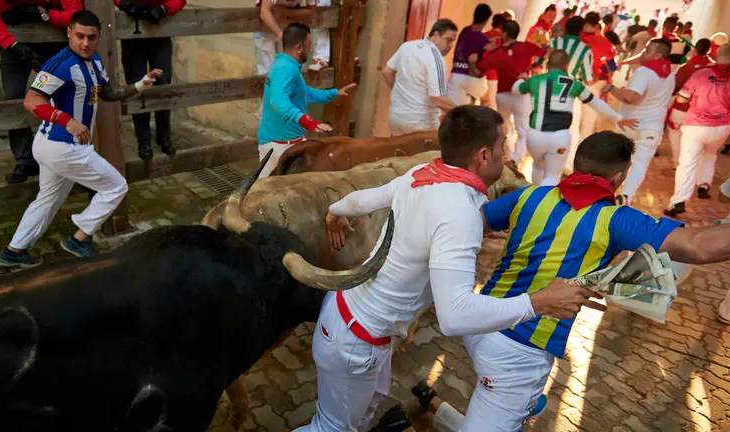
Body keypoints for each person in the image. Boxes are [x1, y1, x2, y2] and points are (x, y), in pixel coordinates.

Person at [296, 105, 605, 432]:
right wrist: (538, 302)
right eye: (503, 147)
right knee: (329, 428)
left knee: (365, 409)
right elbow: (454, 315)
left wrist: (335, 211)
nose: (506, 153)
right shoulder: (458, 211)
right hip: (354, 340)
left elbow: (362, 200)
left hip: (353, 322)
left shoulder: (423, 173)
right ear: (484, 156)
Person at [411, 130, 730, 432]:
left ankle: (517, 402)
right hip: (519, 355)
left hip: (480, 323)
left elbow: (467, 226)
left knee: (506, 396)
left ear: (577, 164)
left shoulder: (530, 195)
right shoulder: (617, 218)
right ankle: (517, 402)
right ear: (618, 179)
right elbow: (698, 246)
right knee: (503, 406)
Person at [0, 11, 161, 267]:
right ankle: (79, 238)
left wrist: (140, 85)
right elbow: (31, 100)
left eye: (91, 37)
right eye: (80, 36)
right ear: (69, 33)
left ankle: (14, 251)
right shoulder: (59, 64)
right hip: (61, 147)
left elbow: (109, 94)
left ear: (99, 37)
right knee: (116, 186)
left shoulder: (94, 62)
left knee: (48, 199)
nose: (85, 43)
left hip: (58, 147)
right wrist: (67, 121)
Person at [0, 0, 82, 184]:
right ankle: (25, 160)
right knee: (12, 99)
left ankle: (66, 155)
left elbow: (75, 14)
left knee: (62, 94)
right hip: (13, 43)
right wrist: (11, 45)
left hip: (52, 41)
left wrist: (41, 13)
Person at [513, 50, 635, 186]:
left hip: (535, 135)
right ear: (566, 65)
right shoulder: (574, 84)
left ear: (548, 64)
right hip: (560, 138)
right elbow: (596, 103)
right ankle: (546, 204)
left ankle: (534, 198)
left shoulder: (535, 80)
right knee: (552, 175)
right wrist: (618, 117)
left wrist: (521, 80)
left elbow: (516, 89)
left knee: (537, 167)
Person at [256, 23, 356, 178]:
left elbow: (304, 93)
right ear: (299, 47)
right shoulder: (287, 69)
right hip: (279, 146)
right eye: (310, 45)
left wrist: (334, 94)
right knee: (266, 193)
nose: (310, 50)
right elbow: (278, 102)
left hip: (285, 143)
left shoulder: (284, 64)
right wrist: (309, 122)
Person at [603, 39, 675, 205]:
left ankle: (605, 193)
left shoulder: (645, 71)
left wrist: (611, 88)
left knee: (617, 159)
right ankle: (626, 196)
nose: (643, 53)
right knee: (640, 163)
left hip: (629, 125)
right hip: (652, 128)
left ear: (658, 55)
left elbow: (631, 97)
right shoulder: (670, 74)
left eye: (647, 50)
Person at [664, 44, 730, 217]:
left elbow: (683, 97)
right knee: (710, 154)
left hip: (696, 126)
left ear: (716, 55)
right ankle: (704, 186)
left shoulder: (701, 74)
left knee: (687, 163)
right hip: (723, 127)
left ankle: (679, 201)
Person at [115, 0, 185, 161]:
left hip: (160, 30)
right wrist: (125, 3)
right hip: (131, 30)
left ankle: (164, 136)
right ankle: (143, 140)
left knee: (163, 83)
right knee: (137, 85)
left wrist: (165, 8)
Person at [473, 20, 545, 168]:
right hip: (522, 93)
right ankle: (515, 160)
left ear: (504, 34)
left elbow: (479, 70)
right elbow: (544, 52)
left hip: (503, 96)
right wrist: (536, 65)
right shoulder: (527, 47)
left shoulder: (496, 53)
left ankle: (506, 157)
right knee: (523, 130)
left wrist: (476, 59)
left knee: (504, 128)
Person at [383, 19, 458, 136]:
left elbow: (387, 71)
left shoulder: (407, 46)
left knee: (400, 153)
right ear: (436, 34)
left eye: (452, 41)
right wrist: (464, 112)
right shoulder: (436, 57)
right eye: (448, 40)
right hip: (420, 123)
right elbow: (438, 99)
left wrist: (404, 96)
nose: (450, 46)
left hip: (396, 118)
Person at [550, 15, 595, 170]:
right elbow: (589, 78)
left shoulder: (554, 43)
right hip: (570, 92)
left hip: (548, 88)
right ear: (582, 31)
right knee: (571, 129)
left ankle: (547, 162)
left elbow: (541, 63)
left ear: (566, 28)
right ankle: (567, 165)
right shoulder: (585, 49)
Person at [666, 38, 714, 169]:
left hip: (682, 108)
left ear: (695, 49)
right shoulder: (715, 69)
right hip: (706, 111)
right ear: (709, 50)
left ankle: (679, 163)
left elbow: (675, 86)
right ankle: (692, 165)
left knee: (676, 134)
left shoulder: (686, 67)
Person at [256, 0, 331, 74]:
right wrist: (280, 34)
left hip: (286, 28)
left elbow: (311, 9)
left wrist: (285, 12)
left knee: (287, 70)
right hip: (267, 30)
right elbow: (264, 12)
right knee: (266, 72)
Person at [579, 12, 615, 144]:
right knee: (589, 116)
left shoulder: (577, 39)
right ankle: (582, 145)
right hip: (595, 82)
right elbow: (611, 65)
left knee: (574, 117)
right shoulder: (605, 42)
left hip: (575, 80)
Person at [447, 4, 493, 106]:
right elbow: (494, 50)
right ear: (486, 20)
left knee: (453, 111)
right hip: (472, 79)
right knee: (487, 98)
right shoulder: (483, 39)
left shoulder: (465, 30)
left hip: (455, 75)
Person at [481, 13, 505, 110]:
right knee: (492, 104)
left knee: (478, 101)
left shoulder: (483, 35)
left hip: (480, 74)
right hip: (494, 75)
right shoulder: (504, 39)